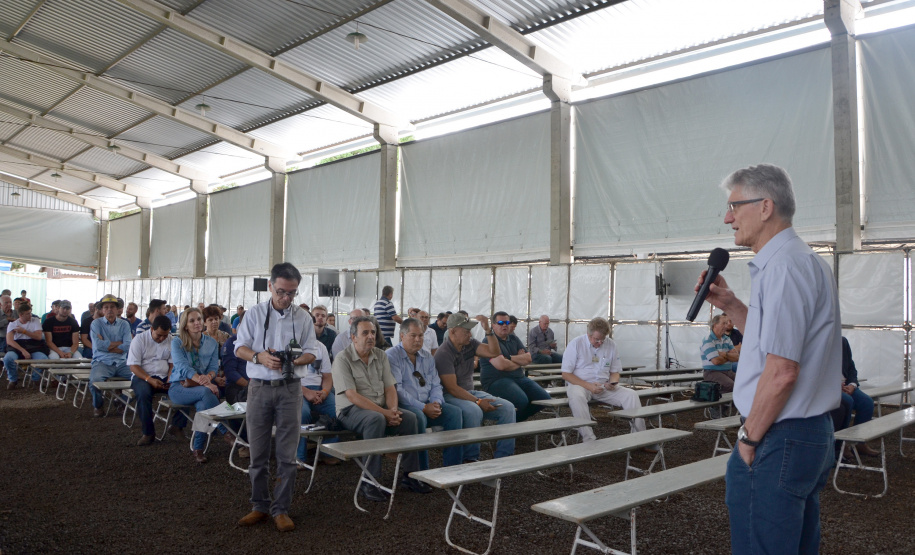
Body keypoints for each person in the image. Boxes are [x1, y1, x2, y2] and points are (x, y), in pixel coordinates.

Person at [697, 164, 840, 554]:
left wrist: (749, 438)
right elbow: (774, 341)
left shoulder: (783, 268)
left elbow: (781, 372)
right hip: (806, 431)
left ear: (765, 207)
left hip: (780, 434)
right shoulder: (800, 261)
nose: (728, 218)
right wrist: (732, 305)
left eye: (734, 206)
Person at [235, 263, 318, 533]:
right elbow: (240, 347)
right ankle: (259, 505)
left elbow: (311, 352)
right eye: (282, 291)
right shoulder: (254, 314)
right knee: (257, 452)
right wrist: (259, 356)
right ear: (270, 286)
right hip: (259, 386)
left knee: (287, 453)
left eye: (292, 293)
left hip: (290, 388)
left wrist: (295, 359)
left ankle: (281, 509)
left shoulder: (303, 318)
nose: (286, 298)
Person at [332, 316, 430, 502]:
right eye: (365, 333)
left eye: (373, 332)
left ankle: (410, 476)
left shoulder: (380, 355)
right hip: (350, 410)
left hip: (380, 408)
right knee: (375, 419)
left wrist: (393, 410)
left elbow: (390, 387)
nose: (370, 336)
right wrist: (384, 413)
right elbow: (352, 396)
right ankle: (369, 482)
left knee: (410, 418)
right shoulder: (342, 358)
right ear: (353, 337)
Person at [434, 313, 515, 462]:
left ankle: (503, 458)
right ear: (452, 331)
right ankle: (470, 458)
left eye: (469, 330)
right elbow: (452, 388)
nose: (469, 334)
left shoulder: (469, 344)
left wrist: (488, 330)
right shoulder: (443, 353)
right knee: (474, 410)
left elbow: (495, 352)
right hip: (449, 396)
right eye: (465, 331)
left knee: (508, 408)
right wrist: (477, 401)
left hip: (468, 392)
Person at [388, 318, 462, 469]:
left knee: (455, 413)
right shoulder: (391, 355)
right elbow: (398, 390)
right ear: (402, 336)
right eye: (413, 336)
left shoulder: (427, 356)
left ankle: (453, 467)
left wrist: (436, 403)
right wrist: (423, 407)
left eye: (420, 336)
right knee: (418, 417)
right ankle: (420, 471)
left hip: (428, 402)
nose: (417, 340)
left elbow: (436, 383)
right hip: (406, 404)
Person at [561, 318, 649, 446]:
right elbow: (566, 374)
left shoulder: (611, 345)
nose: (600, 343)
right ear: (588, 334)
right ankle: (589, 439)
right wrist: (589, 386)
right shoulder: (576, 344)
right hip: (580, 384)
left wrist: (613, 383)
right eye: (597, 339)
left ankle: (640, 438)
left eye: (603, 339)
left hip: (603, 386)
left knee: (631, 395)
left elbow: (615, 371)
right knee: (576, 395)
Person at [168, 307, 229, 463]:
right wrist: (206, 383)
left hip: (202, 388)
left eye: (199, 319)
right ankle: (226, 431)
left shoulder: (211, 343)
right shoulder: (177, 342)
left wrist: (208, 379)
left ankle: (198, 449)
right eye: (192, 320)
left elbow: (213, 368)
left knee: (204, 405)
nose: (197, 323)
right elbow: (182, 367)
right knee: (206, 393)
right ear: (185, 325)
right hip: (179, 387)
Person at [480, 311, 550, 422]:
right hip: (496, 381)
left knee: (545, 399)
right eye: (501, 323)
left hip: (518, 378)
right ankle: (510, 424)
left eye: (507, 322)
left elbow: (528, 359)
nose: (504, 325)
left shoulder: (514, 339)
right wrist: (518, 359)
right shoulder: (488, 341)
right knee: (521, 400)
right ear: (493, 325)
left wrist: (509, 358)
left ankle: (516, 421)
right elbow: (501, 365)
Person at [128, 315, 183, 446]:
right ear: (152, 329)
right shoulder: (139, 340)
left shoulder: (171, 340)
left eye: (165, 335)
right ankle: (148, 433)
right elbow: (133, 366)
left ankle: (177, 425)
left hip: (164, 376)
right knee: (143, 393)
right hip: (142, 376)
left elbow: (172, 365)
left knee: (183, 391)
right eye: (159, 335)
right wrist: (149, 379)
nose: (162, 338)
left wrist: (170, 378)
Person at [89, 295, 133, 417]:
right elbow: (98, 345)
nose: (109, 310)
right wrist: (119, 345)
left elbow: (128, 345)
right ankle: (98, 406)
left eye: (112, 307)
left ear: (118, 309)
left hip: (122, 362)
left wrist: (107, 345)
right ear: (102, 310)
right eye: (106, 307)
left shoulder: (124, 324)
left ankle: (121, 400)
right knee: (94, 381)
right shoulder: (96, 324)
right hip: (102, 362)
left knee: (140, 379)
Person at [296, 341, 338, 465]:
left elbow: (327, 376)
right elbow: (286, 377)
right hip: (298, 388)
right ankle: (299, 457)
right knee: (302, 413)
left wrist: (324, 392)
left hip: (319, 389)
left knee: (338, 410)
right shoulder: (290, 346)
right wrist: (306, 392)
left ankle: (328, 451)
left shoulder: (320, 346)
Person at [839, 337, 878, 457]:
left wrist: (852, 385)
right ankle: (841, 445)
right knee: (847, 402)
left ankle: (859, 442)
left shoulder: (842, 341)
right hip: (829, 387)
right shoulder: (816, 342)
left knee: (867, 403)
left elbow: (851, 367)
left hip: (846, 386)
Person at [4, 303, 49, 389]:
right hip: (17, 346)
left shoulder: (35, 320)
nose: (30, 315)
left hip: (34, 346)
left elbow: (39, 337)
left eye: (30, 312)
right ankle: (13, 379)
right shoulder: (13, 324)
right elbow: (9, 341)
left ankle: (35, 379)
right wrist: (23, 350)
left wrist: (24, 331)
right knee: (8, 358)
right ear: (21, 315)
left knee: (43, 358)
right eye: (27, 313)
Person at [700, 314, 739, 393]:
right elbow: (716, 361)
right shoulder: (708, 340)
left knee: (744, 383)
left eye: (726, 323)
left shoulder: (727, 339)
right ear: (715, 325)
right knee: (732, 385)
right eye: (724, 323)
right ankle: (722, 405)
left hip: (728, 371)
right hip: (712, 372)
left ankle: (732, 404)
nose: (726, 326)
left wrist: (724, 354)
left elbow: (737, 357)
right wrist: (729, 356)